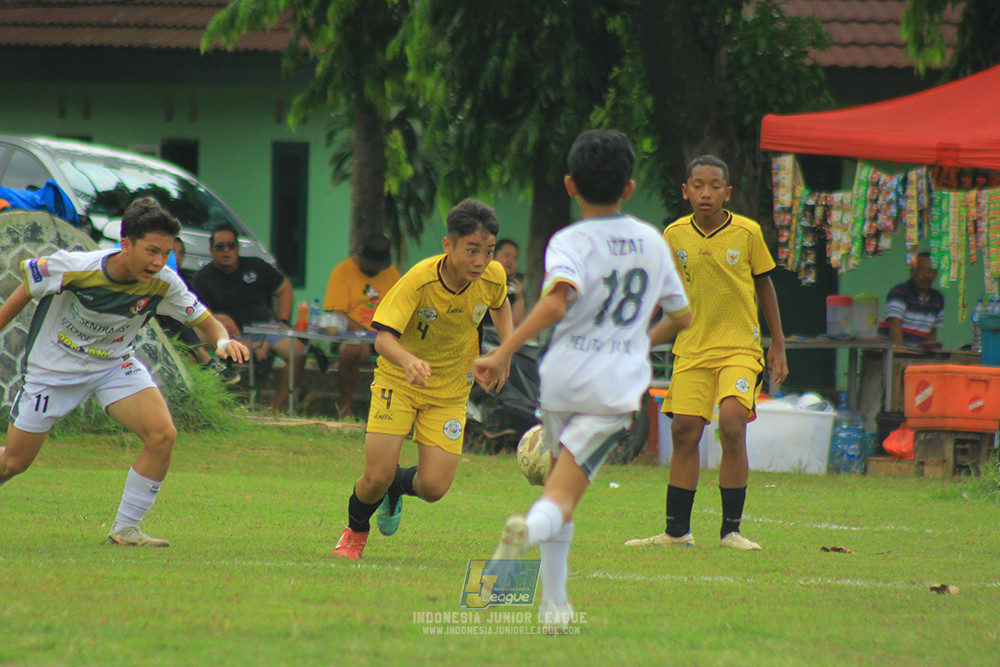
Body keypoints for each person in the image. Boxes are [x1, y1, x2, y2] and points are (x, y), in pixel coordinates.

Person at [474, 130, 692, 632]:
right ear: (630, 187)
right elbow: (682, 317)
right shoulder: (651, 240)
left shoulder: (568, 240)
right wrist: (638, 341)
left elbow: (556, 300)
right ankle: (524, 532)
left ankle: (554, 605)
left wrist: (502, 349)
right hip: (610, 390)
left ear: (570, 184)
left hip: (561, 379)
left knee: (556, 486)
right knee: (561, 499)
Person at [0, 197, 249, 546]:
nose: (158, 262)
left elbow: (206, 322)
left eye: (165, 253)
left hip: (113, 364)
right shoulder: (76, 266)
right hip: (53, 371)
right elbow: (28, 286)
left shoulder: (164, 282)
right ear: (126, 243)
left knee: (162, 434)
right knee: (14, 461)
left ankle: (125, 530)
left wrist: (222, 343)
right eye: (151, 251)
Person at [333, 199, 513, 560]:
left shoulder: (492, 276)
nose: (481, 261)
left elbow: (500, 304)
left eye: (489, 251)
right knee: (375, 477)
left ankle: (397, 488)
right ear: (448, 246)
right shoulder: (419, 280)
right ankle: (356, 529)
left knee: (433, 487)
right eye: (472, 250)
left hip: (449, 389)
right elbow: (382, 339)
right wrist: (409, 360)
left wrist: (504, 351)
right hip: (398, 381)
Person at [625, 155, 788, 552]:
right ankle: (676, 532)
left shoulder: (747, 233)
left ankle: (731, 531)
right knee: (684, 431)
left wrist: (778, 343)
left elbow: (765, 287)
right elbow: (662, 293)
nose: (706, 193)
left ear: (727, 193)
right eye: (697, 185)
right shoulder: (673, 235)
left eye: (715, 186)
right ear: (685, 191)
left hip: (739, 347)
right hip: (692, 348)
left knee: (732, 424)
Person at [190, 224, 307, 411]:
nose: (226, 251)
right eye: (220, 247)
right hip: (232, 333)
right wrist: (219, 317)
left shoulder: (255, 265)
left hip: (265, 327)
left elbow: (284, 288)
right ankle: (258, 351)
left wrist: (283, 321)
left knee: (298, 352)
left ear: (238, 247)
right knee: (203, 336)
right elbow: (195, 313)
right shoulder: (202, 278)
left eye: (231, 246)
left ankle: (276, 408)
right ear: (212, 251)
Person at [322, 233, 400, 418]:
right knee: (354, 350)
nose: (374, 270)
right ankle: (345, 407)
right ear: (359, 255)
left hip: (386, 333)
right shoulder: (342, 271)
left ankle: (391, 412)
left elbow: (399, 307)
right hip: (354, 335)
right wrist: (365, 334)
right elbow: (338, 313)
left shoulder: (392, 273)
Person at [156, 237, 241, 384]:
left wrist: (223, 343)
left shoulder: (176, 283)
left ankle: (206, 363)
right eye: (172, 252)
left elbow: (206, 321)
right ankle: (205, 361)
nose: (176, 256)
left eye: (178, 253)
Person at [877, 251, 945, 347]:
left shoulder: (937, 298)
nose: (927, 275)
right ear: (912, 271)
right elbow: (894, 324)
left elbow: (932, 333)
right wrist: (900, 356)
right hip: (886, 355)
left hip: (914, 356)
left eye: (931, 270)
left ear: (936, 273)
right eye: (921, 269)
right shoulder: (900, 292)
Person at [493, 239, 527, 327]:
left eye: (515, 258)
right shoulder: (480, 277)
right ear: (493, 256)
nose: (510, 261)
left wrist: (519, 297)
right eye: (506, 256)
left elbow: (517, 323)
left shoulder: (516, 284)